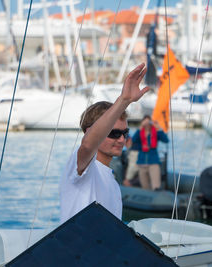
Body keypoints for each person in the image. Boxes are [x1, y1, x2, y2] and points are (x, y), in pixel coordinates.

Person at [59, 63, 150, 224]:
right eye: (114, 133)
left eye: (124, 133)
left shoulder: (113, 183)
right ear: (89, 132)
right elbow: (87, 145)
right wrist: (124, 100)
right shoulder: (81, 167)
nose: (121, 139)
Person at [132, 115, 169, 190]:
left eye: (148, 122)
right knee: (145, 187)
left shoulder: (155, 132)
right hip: (141, 163)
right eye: (145, 122)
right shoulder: (140, 133)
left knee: (156, 186)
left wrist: (159, 128)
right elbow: (133, 140)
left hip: (153, 162)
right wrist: (140, 127)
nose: (147, 125)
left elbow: (166, 140)